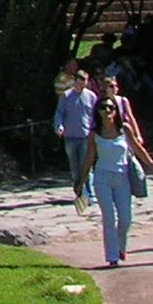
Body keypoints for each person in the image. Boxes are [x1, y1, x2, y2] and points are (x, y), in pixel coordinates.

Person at [82, 98, 153, 268]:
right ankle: (112, 256)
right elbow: (89, 158)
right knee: (109, 218)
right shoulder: (94, 134)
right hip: (102, 178)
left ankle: (121, 246)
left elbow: (138, 149)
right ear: (98, 111)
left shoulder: (124, 130)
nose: (107, 111)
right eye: (103, 108)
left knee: (125, 218)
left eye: (111, 107)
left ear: (116, 111)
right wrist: (81, 181)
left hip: (122, 178)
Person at [54, 69, 98, 209]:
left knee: (86, 166)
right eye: (79, 83)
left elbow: (95, 116)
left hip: (85, 136)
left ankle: (89, 195)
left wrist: (95, 130)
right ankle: (79, 193)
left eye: (84, 82)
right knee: (75, 168)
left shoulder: (91, 96)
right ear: (75, 82)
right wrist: (59, 126)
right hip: (70, 137)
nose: (82, 85)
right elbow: (59, 113)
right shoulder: (66, 96)